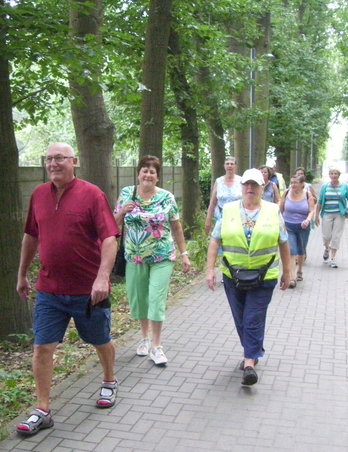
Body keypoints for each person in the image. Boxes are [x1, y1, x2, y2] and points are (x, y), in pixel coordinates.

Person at [15, 142, 121, 436]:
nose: (53, 164)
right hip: (49, 289)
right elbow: (31, 236)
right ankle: (43, 409)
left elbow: (110, 238)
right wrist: (22, 274)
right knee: (42, 347)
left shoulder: (92, 194)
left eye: (59, 158)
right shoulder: (38, 195)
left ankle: (110, 380)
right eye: (48, 159)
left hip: (89, 292)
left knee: (100, 339)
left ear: (74, 161)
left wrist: (102, 277)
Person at [205, 168, 291, 386]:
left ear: (263, 188)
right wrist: (209, 270)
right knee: (241, 318)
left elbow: (283, 241)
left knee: (253, 317)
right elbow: (215, 240)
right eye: (247, 185)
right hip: (233, 275)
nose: (250, 189)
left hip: (265, 277)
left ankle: (249, 363)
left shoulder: (273, 211)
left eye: (255, 185)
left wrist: (287, 273)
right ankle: (254, 350)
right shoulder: (230, 210)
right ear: (242, 187)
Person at [114, 156, 191, 366]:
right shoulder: (127, 194)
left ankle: (157, 347)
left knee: (156, 299)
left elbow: (176, 226)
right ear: (138, 173)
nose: (148, 175)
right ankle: (144, 339)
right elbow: (113, 224)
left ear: (157, 177)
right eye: (144, 171)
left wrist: (184, 254)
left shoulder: (167, 197)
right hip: (135, 256)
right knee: (139, 299)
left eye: (152, 172)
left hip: (162, 255)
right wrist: (122, 211)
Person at [315, 167, 348, 268]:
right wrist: (316, 215)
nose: (333, 175)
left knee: (336, 236)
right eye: (332, 174)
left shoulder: (344, 187)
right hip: (327, 214)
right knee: (326, 236)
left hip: (339, 214)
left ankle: (333, 259)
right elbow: (320, 201)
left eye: (335, 174)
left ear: (339, 175)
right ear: (329, 175)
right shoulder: (325, 186)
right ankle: (327, 249)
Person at [279, 175, 315, 287]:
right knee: (292, 251)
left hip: (303, 226)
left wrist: (308, 220)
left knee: (301, 249)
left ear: (302, 184)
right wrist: (280, 222)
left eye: (295, 183)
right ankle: (292, 277)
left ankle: (300, 269)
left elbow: (311, 211)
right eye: (292, 182)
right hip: (288, 225)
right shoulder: (286, 193)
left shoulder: (308, 195)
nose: (293, 185)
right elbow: (280, 209)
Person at [205, 156, 243, 234]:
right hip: (220, 217)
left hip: (237, 217)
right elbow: (213, 202)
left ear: (236, 166)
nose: (229, 166)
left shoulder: (241, 181)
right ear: (224, 166)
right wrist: (208, 219)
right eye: (227, 164)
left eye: (232, 164)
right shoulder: (219, 181)